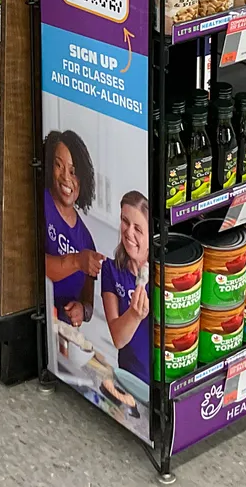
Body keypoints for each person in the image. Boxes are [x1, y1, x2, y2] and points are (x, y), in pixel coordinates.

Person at [42, 129, 104, 327]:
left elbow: (88, 305)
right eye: (59, 166)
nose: (66, 178)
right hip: (36, 324)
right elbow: (35, 265)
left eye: (73, 172)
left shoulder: (86, 240)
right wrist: (77, 260)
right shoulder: (41, 202)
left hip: (63, 340)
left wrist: (81, 311)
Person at [100, 191, 151, 383]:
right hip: (130, 380)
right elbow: (118, 339)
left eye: (138, 229)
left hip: (160, 380)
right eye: (125, 221)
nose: (128, 232)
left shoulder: (165, 273)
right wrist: (134, 315)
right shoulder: (110, 271)